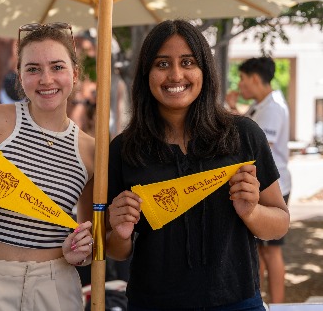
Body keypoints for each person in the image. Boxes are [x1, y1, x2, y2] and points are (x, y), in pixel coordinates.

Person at [105, 19, 290, 310]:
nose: (176, 75)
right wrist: (119, 233)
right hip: (153, 303)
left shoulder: (243, 135)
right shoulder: (123, 149)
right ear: (146, 73)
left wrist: (251, 212)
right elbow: (114, 250)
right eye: (162, 64)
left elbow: (279, 225)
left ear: (205, 70)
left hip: (237, 300)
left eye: (188, 62)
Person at [0, 22, 95, 311]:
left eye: (57, 67)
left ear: (75, 74)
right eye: (33, 69)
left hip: (54, 286)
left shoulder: (90, 150)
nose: (46, 79)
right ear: (19, 75)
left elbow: (88, 237)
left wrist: (81, 250)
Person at [226, 56, 291, 303]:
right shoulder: (262, 105)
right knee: (260, 251)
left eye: (242, 79)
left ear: (255, 78)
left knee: (272, 250)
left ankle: (278, 303)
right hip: (261, 185)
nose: (240, 85)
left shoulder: (272, 107)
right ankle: (263, 300)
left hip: (274, 184)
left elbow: (260, 146)